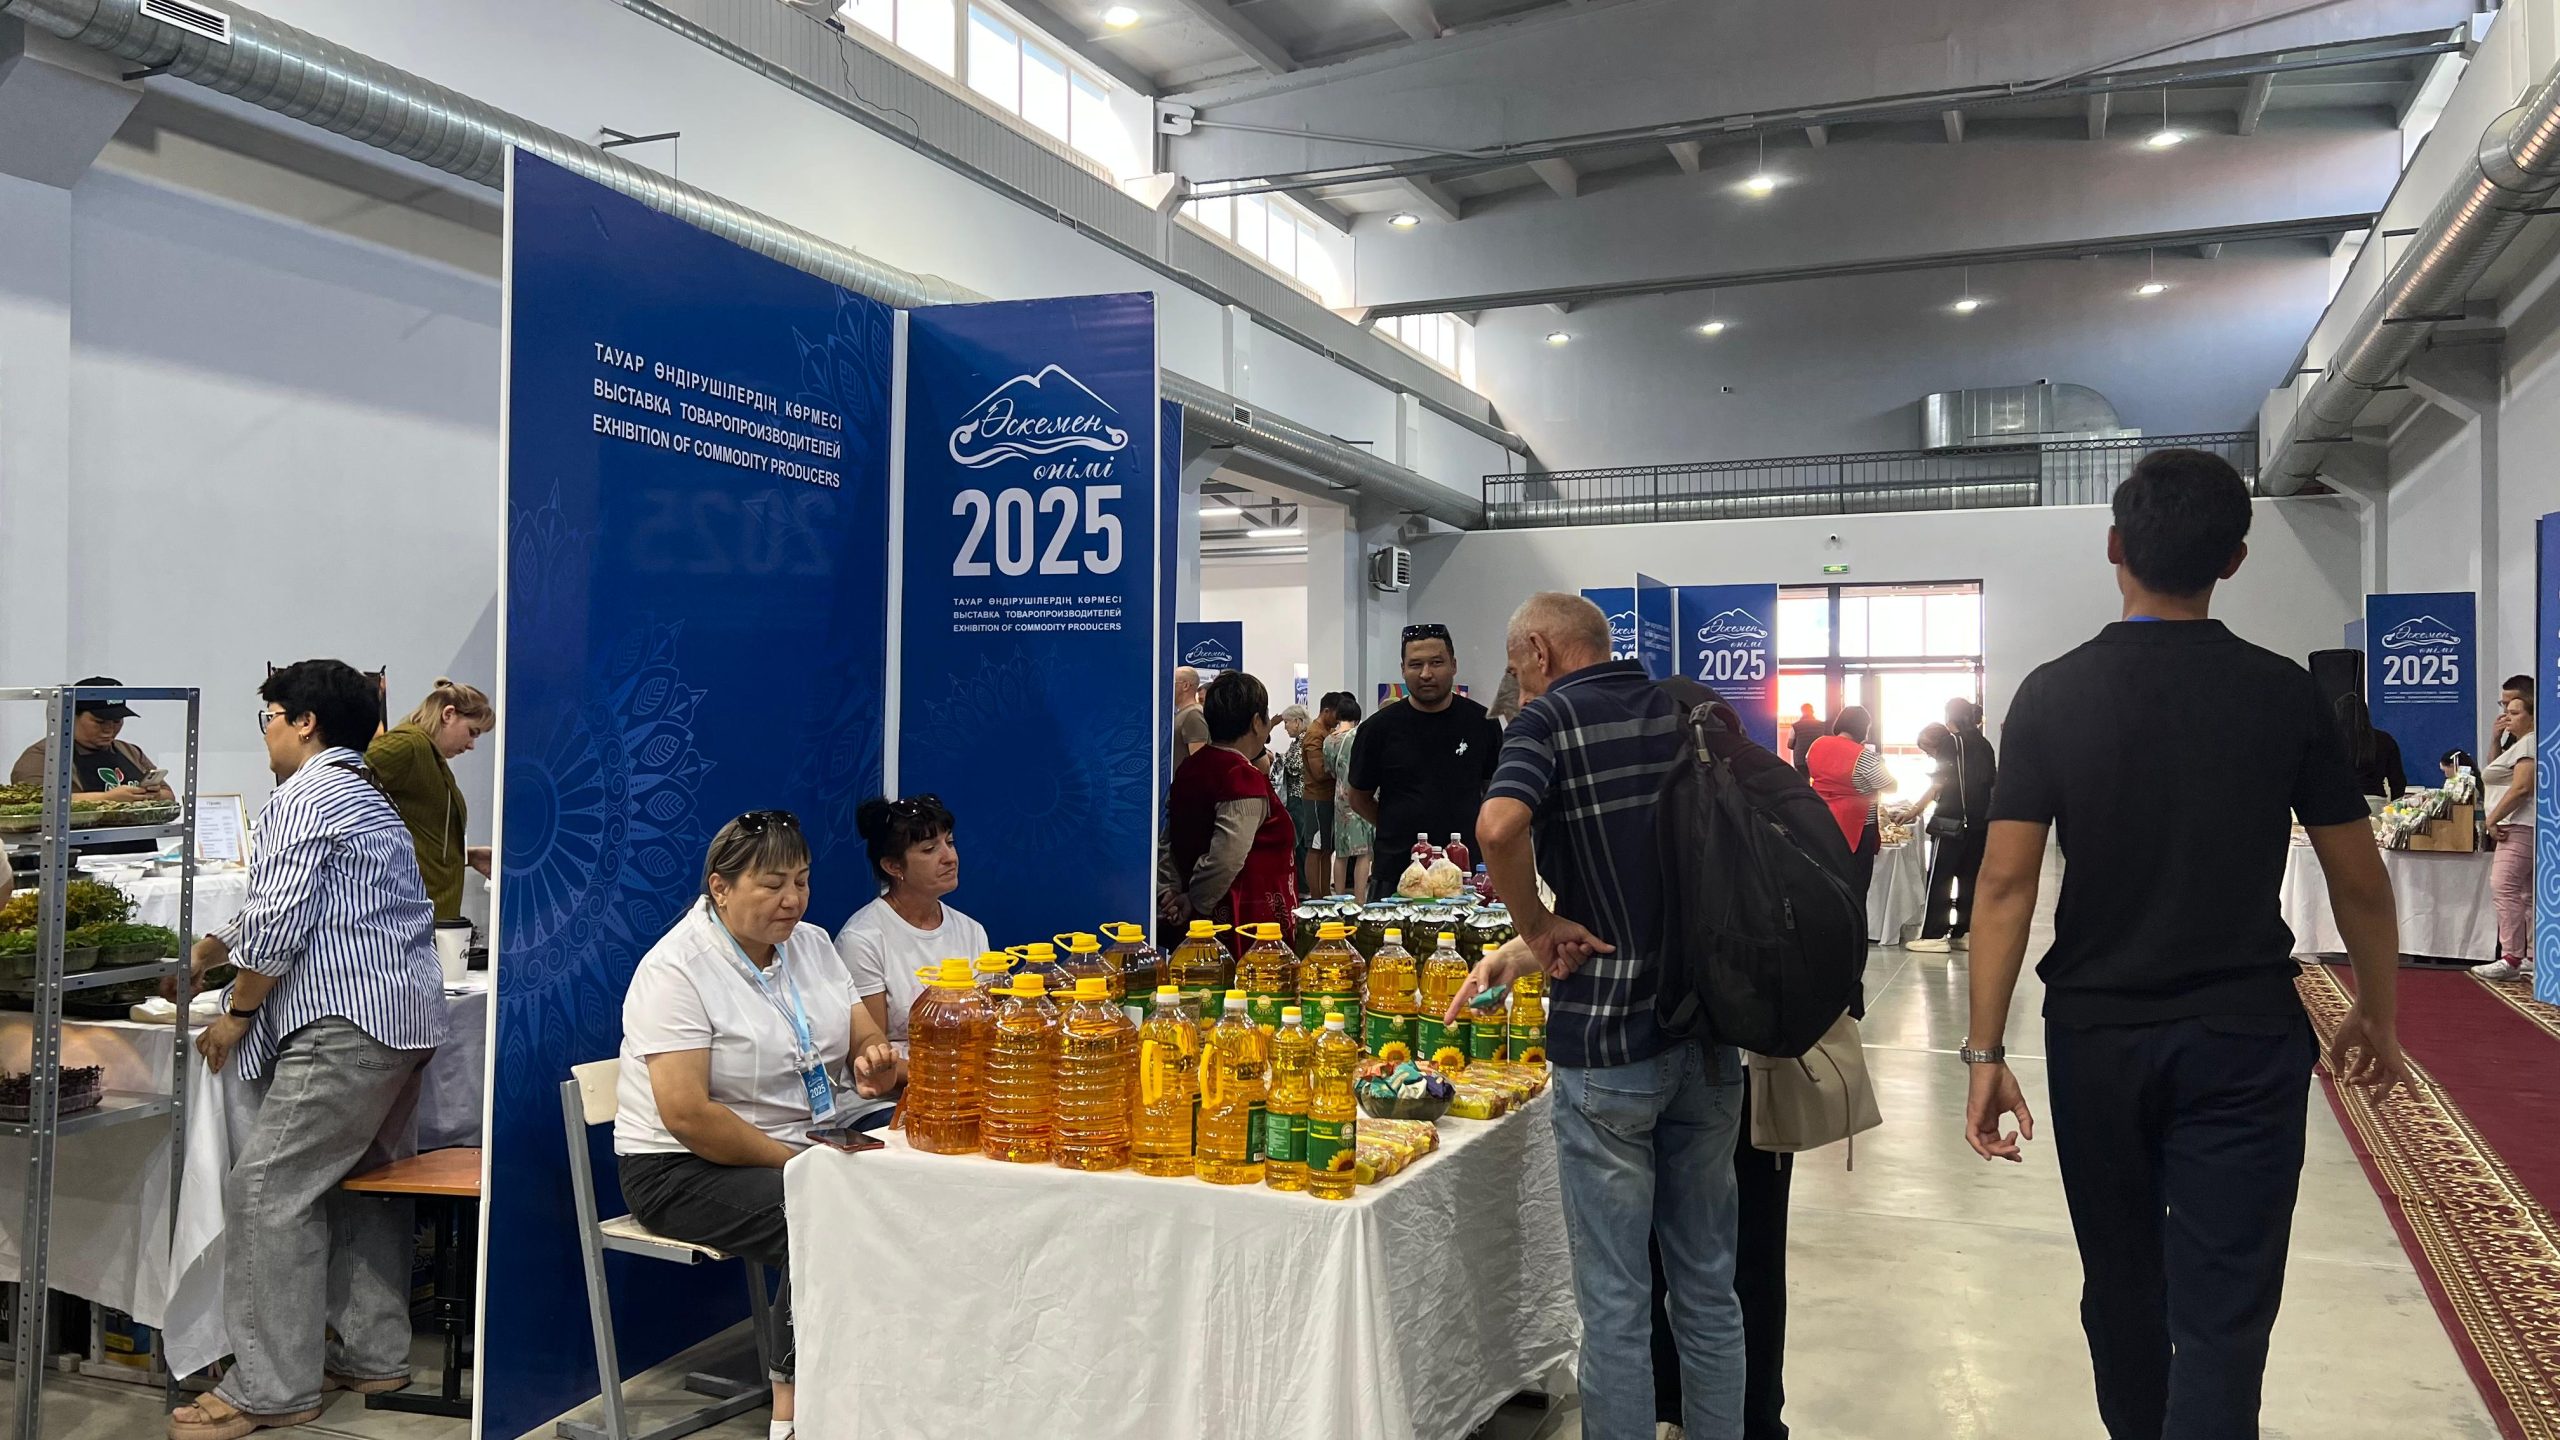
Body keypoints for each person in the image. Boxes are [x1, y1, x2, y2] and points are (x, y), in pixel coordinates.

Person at [1962, 448, 2407, 1440]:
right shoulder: (2284, 694)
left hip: (2097, 1037)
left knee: (2121, 1283)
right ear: (2236, 559)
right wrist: (2377, 1012)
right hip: (2244, 1035)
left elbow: (2003, 884)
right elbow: (2358, 880)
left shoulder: (2051, 695)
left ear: (2114, 547)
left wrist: (1985, 1052)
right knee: (2224, 1309)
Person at [1449, 592, 1740, 1440]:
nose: (1518, 682)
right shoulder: (1687, 712)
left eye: (1517, 666)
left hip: (1608, 1041)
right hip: (1709, 1036)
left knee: (1615, 1300)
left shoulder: (1550, 721)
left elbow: (1498, 827)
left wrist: (1537, 927)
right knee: (1708, 1285)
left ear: (1539, 651)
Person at [167, 660, 451, 1440]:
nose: (264, 731)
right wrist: (211, 948)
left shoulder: (303, 796)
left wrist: (237, 1011)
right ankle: (371, 1355)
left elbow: (282, 923)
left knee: (266, 1191)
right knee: (360, 1188)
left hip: (344, 1022)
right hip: (401, 1022)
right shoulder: (361, 791)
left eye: (268, 715)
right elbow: (295, 905)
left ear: (304, 722)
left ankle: (271, 1387)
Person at [615, 811, 903, 1440]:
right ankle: (792, 1413)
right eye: (772, 885)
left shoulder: (813, 944)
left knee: (906, 1189)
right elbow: (688, 1115)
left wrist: (871, 1059)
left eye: (801, 881)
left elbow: (861, 1034)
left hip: (806, 1142)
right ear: (720, 888)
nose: (792, 900)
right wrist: (796, 1164)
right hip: (680, 1168)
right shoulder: (676, 968)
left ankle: (882, 1384)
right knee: (824, 1212)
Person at [835, 794, 991, 1110]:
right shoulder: (862, 939)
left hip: (965, 1090)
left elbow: (985, 1028)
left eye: (950, 843)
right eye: (930, 849)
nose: (949, 857)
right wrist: (949, 1076)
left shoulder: (971, 930)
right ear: (893, 866)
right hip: (887, 1100)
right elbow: (871, 1054)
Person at [1345, 623, 1503, 899]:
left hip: (1466, 871)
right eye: (1415, 664)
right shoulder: (1378, 729)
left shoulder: (1483, 723)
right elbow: (1358, 797)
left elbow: (1494, 793)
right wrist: (1394, 826)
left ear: (1454, 665)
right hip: (1396, 870)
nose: (1426, 673)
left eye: (1436, 663)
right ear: (1403, 669)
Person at [1157, 672, 1300, 938]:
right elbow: (1226, 857)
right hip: (1240, 922)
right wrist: (1196, 899)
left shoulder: (1190, 768)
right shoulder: (1240, 777)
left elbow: (1169, 839)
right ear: (1257, 722)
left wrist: (1169, 889)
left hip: (1195, 915)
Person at [365, 680, 495, 923]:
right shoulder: (409, 745)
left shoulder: (429, 756)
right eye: (472, 732)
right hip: (409, 920)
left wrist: (466, 856)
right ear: (448, 714)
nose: (471, 745)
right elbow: (337, 777)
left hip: (430, 919)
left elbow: (421, 832)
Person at [13, 675, 178, 858]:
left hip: (137, 858)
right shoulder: (42, 756)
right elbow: (35, 806)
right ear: (70, 715)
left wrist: (153, 794)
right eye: (100, 722)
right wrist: (107, 799)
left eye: (117, 721)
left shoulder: (130, 751)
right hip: (70, 860)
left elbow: (168, 796)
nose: (109, 729)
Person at [1907, 700, 1997, 955]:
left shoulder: (1951, 742)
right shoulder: (1984, 743)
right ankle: (1964, 933)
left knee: (1940, 878)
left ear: (1950, 716)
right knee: (1970, 879)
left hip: (1952, 821)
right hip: (1979, 824)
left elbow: (1939, 783)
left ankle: (1933, 935)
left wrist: (1914, 810)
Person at [1805, 706, 1894, 909]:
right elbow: (1890, 786)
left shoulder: (1816, 745)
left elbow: (1811, 769)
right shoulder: (1864, 756)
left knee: (1828, 880)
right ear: (1863, 728)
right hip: (1856, 825)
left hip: (1821, 819)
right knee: (1856, 885)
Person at [2475, 690, 2536, 982]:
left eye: (2514, 713)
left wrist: (2492, 818)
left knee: (2504, 887)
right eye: (2505, 711)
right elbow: (2494, 771)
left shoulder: (2531, 743)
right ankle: (2531, 956)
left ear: (2532, 716)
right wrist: (2495, 739)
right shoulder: (2520, 744)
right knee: (2525, 893)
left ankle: (2511, 956)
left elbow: (2522, 788)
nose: (2507, 718)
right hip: (2519, 824)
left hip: (2518, 825)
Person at [1324, 697, 1374, 899]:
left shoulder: (1329, 741)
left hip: (1340, 798)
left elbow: (1329, 770)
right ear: (1357, 717)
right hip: (1359, 796)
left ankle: (1339, 897)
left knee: (1341, 852)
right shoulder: (1358, 736)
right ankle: (1360, 899)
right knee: (1363, 853)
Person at [1300, 693, 1341, 897]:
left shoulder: (1328, 731)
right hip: (1316, 798)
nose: (1339, 719)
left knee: (1326, 849)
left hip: (1328, 797)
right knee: (1315, 848)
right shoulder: (1314, 734)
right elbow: (1318, 772)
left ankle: (1325, 894)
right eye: (1337, 714)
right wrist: (1341, 768)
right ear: (1326, 711)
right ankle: (1316, 897)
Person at [2333, 693, 2407, 801]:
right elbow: (2398, 781)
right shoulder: (2385, 740)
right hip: (2375, 801)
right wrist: (2395, 806)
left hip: (2340, 801)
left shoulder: (2332, 742)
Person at [1172, 666, 1209, 757]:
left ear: (1186, 686)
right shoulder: (1184, 713)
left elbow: (1198, 758)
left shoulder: (1193, 714)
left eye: (1173, 682)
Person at [1788, 703, 1823, 775]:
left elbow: (1790, 745)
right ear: (1812, 711)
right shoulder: (1822, 725)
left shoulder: (1795, 726)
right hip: (1818, 759)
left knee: (1803, 779)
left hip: (1800, 760)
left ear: (1802, 711)